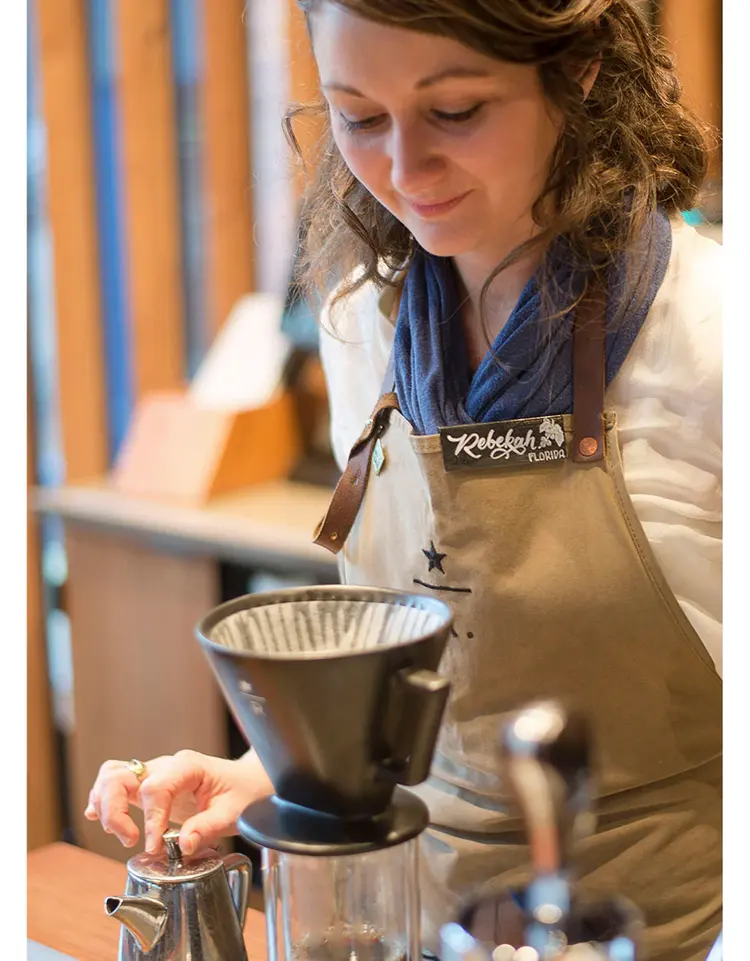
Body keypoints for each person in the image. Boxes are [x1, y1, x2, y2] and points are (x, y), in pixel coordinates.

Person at [86, 2, 722, 959]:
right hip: (424, 927)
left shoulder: (715, 345)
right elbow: (432, 669)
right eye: (359, 116)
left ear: (581, 65)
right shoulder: (365, 323)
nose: (404, 171)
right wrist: (271, 769)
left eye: (456, 111)